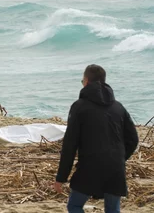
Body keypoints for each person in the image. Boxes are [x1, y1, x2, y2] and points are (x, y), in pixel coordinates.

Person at [54, 64, 139, 213]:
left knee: (74, 206)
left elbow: (70, 144)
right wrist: (119, 157)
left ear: (86, 81)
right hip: (115, 168)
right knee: (112, 210)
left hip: (89, 167)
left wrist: (61, 177)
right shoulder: (118, 107)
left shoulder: (79, 107)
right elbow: (133, 139)